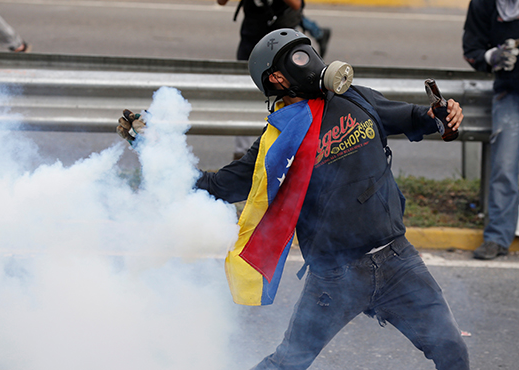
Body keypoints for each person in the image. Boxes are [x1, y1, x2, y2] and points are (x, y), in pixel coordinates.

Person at [117, 28, 469, 369]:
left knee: (452, 350)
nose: (311, 62)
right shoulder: (277, 142)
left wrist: (443, 118)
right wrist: (152, 150)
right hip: (334, 276)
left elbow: (414, 118)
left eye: (309, 52)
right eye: (299, 58)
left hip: (397, 260)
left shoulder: (355, 98)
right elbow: (217, 186)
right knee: (288, 362)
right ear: (277, 79)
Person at [217, 0, 331, 160]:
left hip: (283, 46)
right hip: (252, 41)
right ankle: (242, 154)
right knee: (243, 96)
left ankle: (291, 152)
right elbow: (221, 2)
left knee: (290, 94)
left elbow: (296, 4)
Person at [463, 0, 519, 260]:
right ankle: (497, 238)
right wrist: (492, 57)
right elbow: (472, 48)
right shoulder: (484, 4)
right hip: (509, 94)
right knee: (504, 167)